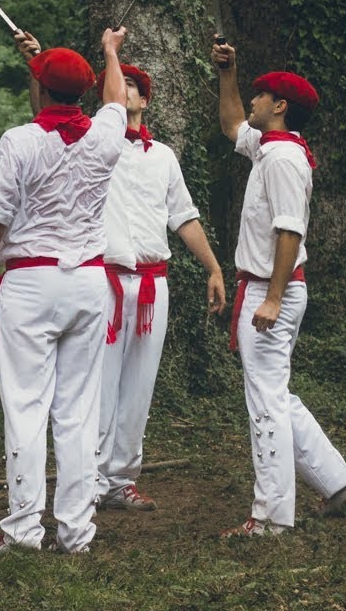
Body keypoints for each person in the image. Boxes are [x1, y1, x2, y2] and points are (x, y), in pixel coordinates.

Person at [14, 36, 227, 511]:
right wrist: (36, 64)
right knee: (97, 383)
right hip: (102, 280)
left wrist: (213, 267)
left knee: (139, 383)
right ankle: (85, 478)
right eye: (120, 83)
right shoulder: (92, 142)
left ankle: (121, 477)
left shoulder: (164, 156)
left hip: (154, 284)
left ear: (145, 99)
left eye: (133, 85)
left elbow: (185, 217)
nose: (125, 90)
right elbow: (44, 113)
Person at [0, 28, 128, 554]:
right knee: (78, 411)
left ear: (41, 88)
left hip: (31, 283)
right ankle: (77, 532)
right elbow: (117, 99)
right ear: (86, 92)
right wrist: (111, 52)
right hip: (88, 284)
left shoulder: (20, 141)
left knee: (27, 407)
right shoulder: (106, 134)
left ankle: (25, 528)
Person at [210, 38, 346, 537]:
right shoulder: (271, 146)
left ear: (279, 106)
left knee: (267, 403)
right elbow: (232, 124)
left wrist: (272, 298)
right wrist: (228, 73)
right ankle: (339, 486)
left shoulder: (281, 160)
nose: (251, 101)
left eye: (259, 94)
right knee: (276, 394)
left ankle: (271, 517)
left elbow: (289, 230)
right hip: (267, 289)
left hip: (271, 292)